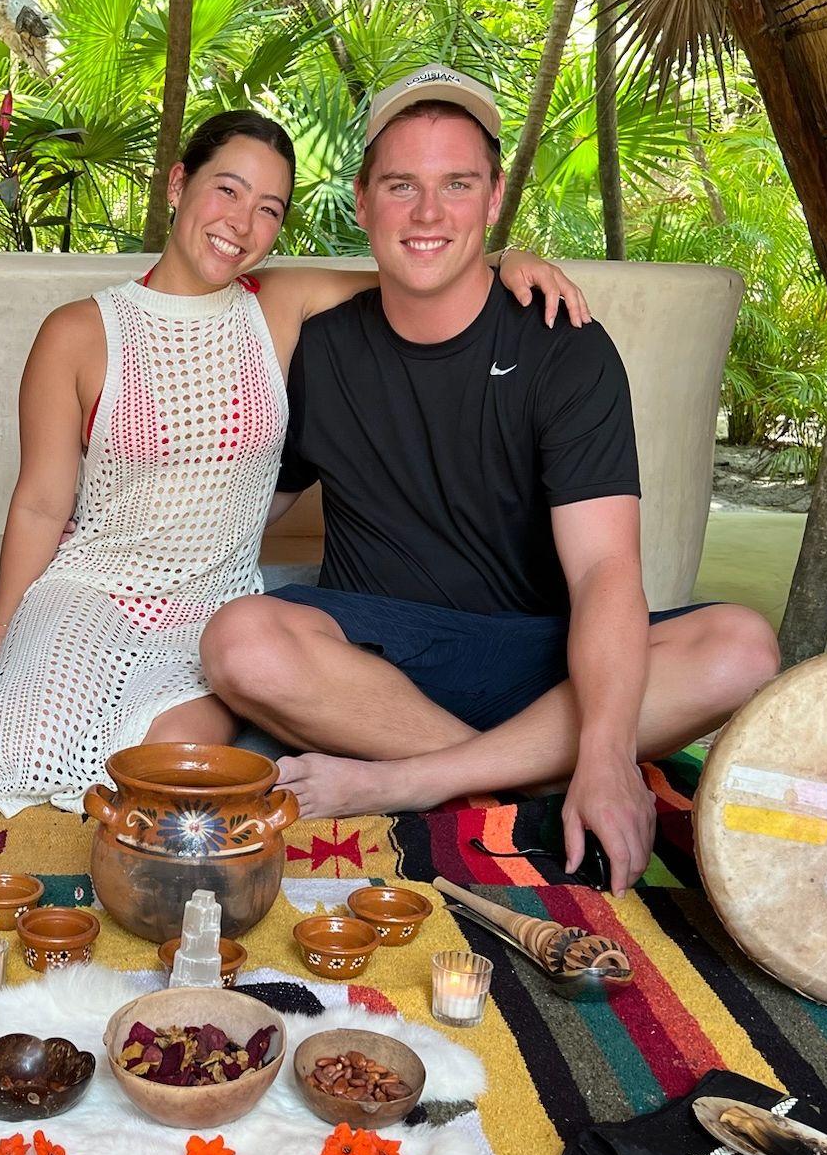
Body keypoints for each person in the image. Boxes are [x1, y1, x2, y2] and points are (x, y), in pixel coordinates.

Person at [0, 108, 585, 815]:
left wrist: (505, 260)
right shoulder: (78, 330)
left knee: (171, 772)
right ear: (179, 183)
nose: (242, 223)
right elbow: (40, 504)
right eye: (228, 190)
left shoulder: (276, 305)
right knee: (25, 754)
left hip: (214, 608)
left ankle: (24, 712)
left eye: (269, 208)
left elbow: (423, 265)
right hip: (93, 589)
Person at [198, 67, 781, 891]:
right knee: (240, 640)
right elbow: (233, 510)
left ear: (493, 197)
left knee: (740, 647)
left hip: (541, 656)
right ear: (362, 202)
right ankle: (525, 776)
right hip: (379, 659)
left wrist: (609, 754)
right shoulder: (320, 346)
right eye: (401, 185)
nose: (428, 213)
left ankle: (415, 781)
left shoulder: (563, 344)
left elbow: (604, 569)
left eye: (456, 184)